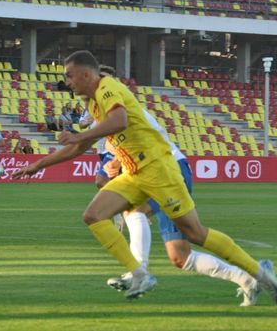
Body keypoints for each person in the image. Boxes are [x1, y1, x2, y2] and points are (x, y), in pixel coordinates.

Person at [12, 50, 277, 303]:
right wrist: (39, 165)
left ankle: (258, 273)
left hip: (158, 169)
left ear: (86, 74)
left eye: (69, 76)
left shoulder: (108, 88)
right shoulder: (95, 104)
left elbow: (119, 122)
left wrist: (80, 135)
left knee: (195, 234)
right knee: (94, 215)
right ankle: (140, 274)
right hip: (134, 173)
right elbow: (79, 147)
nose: (67, 82)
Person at [91, 65, 259, 306]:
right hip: (153, 174)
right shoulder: (107, 115)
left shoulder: (121, 111)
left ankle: (138, 273)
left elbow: (134, 148)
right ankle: (246, 279)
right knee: (180, 257)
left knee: (136, 212)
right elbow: (104, 175)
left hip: (167, 170)